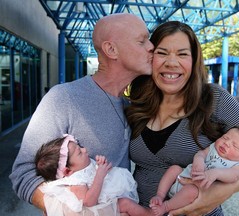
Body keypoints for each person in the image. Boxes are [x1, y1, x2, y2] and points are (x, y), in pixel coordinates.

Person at [125, 21, 239, 216]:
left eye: (182, 54)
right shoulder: (138, 102)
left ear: (194, 60)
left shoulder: (213, 98)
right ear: (151, 57)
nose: (171, 63)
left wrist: (225, 190)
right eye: (162, 53)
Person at [9, 13, 154, 212]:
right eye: (142, 41)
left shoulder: (130, 106)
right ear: (111, 49)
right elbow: (23, 174)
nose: (151, 46)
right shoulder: (63, 98)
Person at [149, 126, 239, 216]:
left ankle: (165, 207)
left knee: (191, 190)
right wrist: (199, 160)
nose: (226, 143)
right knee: (175, 169)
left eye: (235, 146)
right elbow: (201, 153)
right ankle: (160, 195)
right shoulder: (213, 148)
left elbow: (233, 176)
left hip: (196, 192)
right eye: (225, 138)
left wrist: (216, 173)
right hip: (183, 177)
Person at [35, 134, 152, 216]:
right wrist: (99, 175)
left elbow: (93, 171)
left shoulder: (78, 168)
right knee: (126, 204)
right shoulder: (75, 181)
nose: (85, 150)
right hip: (99, 206)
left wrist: (100, 165)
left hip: (106, 198)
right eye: (79, 152)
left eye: (80, 147)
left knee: (127, 207)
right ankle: (150, 214)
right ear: (67, 171)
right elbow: (89, 202)